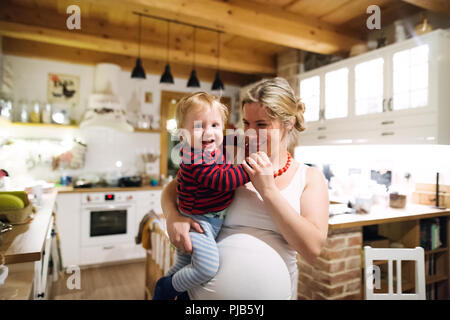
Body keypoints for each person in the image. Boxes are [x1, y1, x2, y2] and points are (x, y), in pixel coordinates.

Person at [161, 77, 329, 300]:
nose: (250, 134)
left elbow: (312, 249)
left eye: (261, 125)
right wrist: (173, 217)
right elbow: (174, 188)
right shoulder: (228, 156)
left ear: (287, 124)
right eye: (247, 124)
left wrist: (268, 191)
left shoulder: (309, 177)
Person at [153, 92, 250, 300]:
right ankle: (167, 288)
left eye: (215, 125)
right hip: (198, 222)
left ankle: (164, 295)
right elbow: (222, 180)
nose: (208, 132)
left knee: (183, 265)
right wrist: (249, 170)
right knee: (206, 268)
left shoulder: (215, 151)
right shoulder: (193, 157)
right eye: (198, 126)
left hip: (206, 222)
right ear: (182, 135)